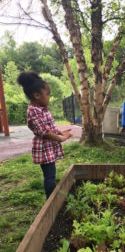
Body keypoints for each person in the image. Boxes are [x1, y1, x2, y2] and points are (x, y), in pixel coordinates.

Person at [17, 71, 72, 199]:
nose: (49, 97)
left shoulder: (41, 108)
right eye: (47, 94)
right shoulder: (33, 111)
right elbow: (45, 132)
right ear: (37, 95)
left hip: (48, 148)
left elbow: (49, 127)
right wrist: (61, 138)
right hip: (44, 149)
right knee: (49, 176)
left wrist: (60, 132)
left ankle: (52, 196)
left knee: (51, 173)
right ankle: (51, 199)